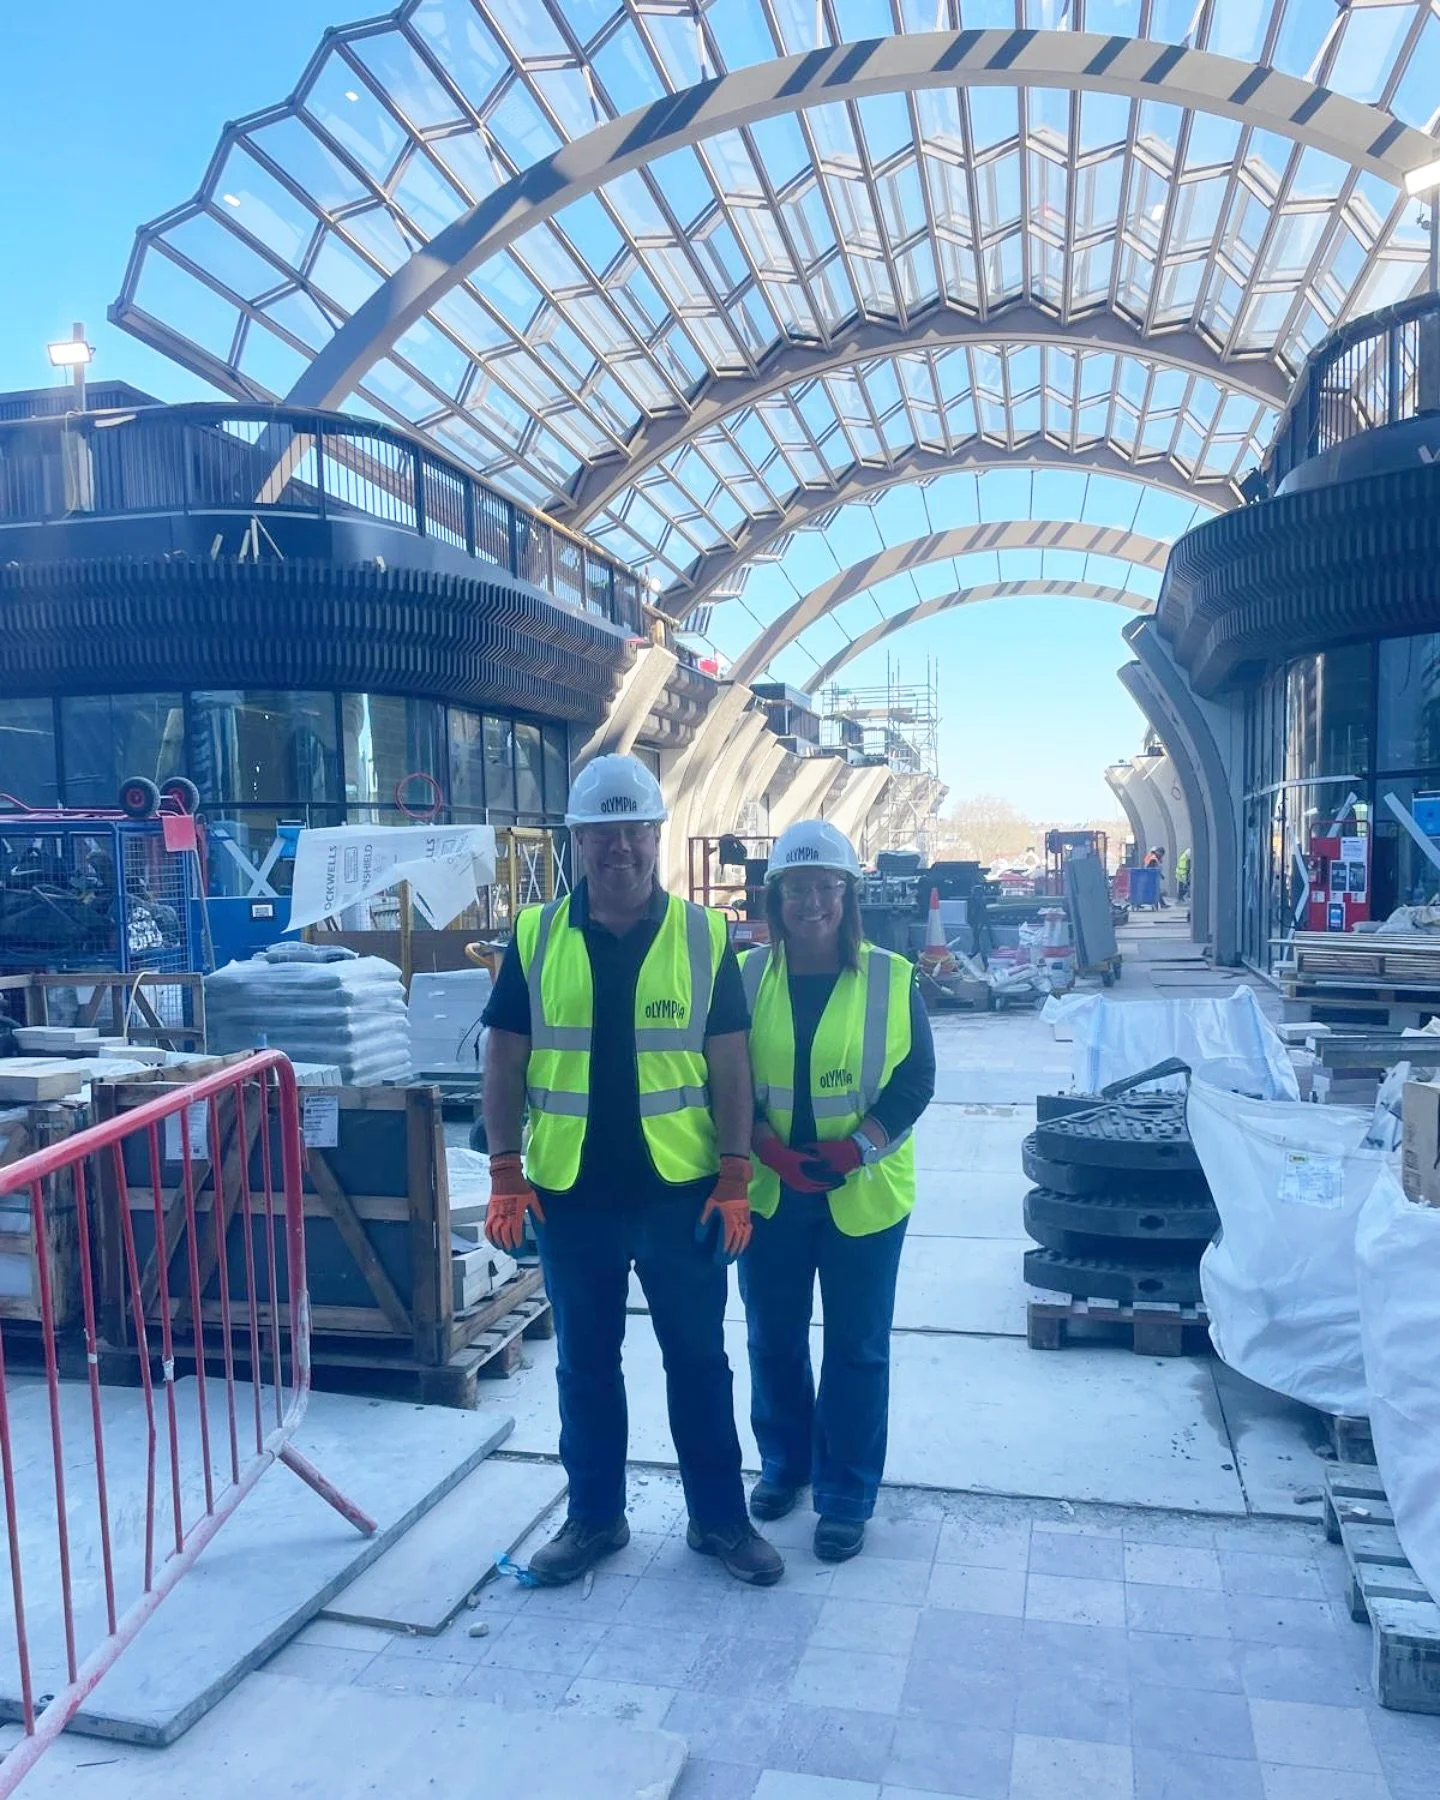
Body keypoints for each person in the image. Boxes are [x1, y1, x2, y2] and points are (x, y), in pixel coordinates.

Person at [481, 754, 783, 1589]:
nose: (620, 846)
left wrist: (732, 1174)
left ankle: (720, 1521)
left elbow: (730, 1063)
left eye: (634, 829)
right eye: (602, 831)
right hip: (572, 1194)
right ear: (577, 840)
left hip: (679, 1194)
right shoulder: (537, 935)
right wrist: (505, 1170)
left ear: (657, 836)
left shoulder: (702, 935)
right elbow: (503, 1059)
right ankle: (593, 1520)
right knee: (584, 1362)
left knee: (698, 1363)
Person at [738, 820, 936, 1562]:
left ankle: (847, 1492)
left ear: (848, 897)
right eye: (798, 887)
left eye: (826, 887)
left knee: (856, 1347)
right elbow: (722, 1074)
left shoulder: (892, 976)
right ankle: (786, 1466)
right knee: (774, 1339)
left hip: (866, 1195)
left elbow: (916, 1079)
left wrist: (858, 1146)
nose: (812, 901)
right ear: (776, 897)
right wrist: (767, 1148)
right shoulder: (748, 977)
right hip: (772, 1191)